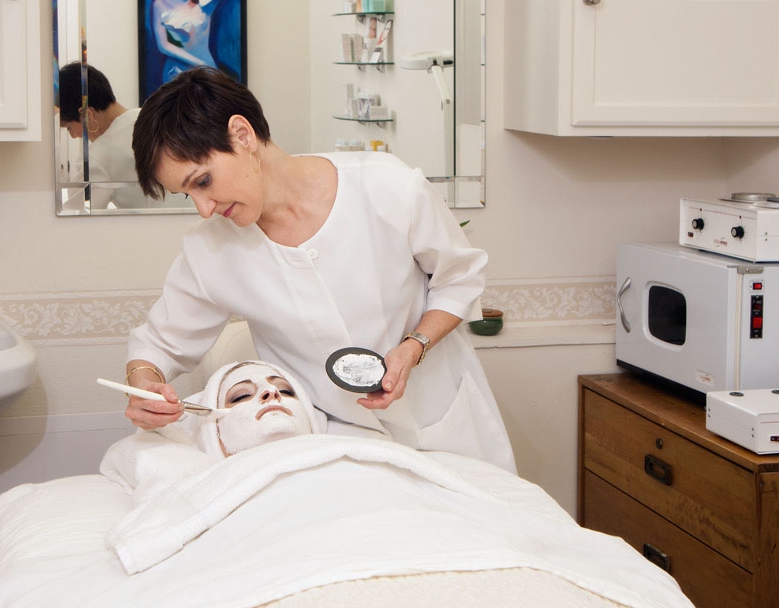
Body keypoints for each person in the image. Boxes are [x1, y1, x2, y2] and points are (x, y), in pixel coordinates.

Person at [124, 67, 515, 473]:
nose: (203, 207)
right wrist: (142, 384)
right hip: (336, 447)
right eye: (188, 194)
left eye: (203, 181)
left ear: (243, 135)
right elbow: (157, 346)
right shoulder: (211, 248)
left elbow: (459, 279)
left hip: (442, 424)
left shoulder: (387, 186)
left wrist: (414, 346)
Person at [57, 62, 149, 209]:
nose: (73, 136)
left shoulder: (98, 156)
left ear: (87, 114)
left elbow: (75, 215)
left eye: (69, 127)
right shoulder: (154, 119)